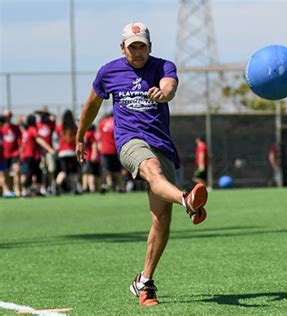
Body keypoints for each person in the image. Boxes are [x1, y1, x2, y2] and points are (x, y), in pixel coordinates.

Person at [75, 22, 208, 307]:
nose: (137, 51)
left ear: (150, 47)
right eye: (132, 46)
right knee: (152, 170)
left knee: (161, 220)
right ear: (122, 47)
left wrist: (164, 93)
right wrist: (80, 137)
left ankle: (144, 281)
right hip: (129, 142)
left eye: (142, 46)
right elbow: (92, 106)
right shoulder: (108, 72)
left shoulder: (163, 67)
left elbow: (170, 87)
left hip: (162, 144)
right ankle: (186, 199)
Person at [20, 114, 55, 197]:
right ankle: (25, 191)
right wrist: (49, 148)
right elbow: (38, 139)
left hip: (26, 155)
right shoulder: (32, 129)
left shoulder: (26, 130)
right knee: (30, 172)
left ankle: (37, 190)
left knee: (37, 172)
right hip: (31, 155)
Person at [98, 112, 124, 192]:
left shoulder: (101, 123)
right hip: (115, 149)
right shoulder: (117, 121)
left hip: (104, 150)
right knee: (117, 170)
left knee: (107, 169)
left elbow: (100, 137)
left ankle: (110, 184)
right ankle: (120, 186)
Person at [56, 110, 80, 194]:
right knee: (74, 172)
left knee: (63, 171)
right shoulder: (74, 127)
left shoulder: (59, 127)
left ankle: (57, 185)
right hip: (72, 152)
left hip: (62, 152)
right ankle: (74, 189)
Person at [2, 109, 22, 197]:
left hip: (14, 153)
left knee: (17, 171)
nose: (7, 118)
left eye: (9, 116)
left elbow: (20, 140)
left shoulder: (15, 128)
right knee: (4, 174)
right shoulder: (1, 128)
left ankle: (17, 190)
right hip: (3, 154)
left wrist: (21, 149)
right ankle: (7, 191)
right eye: (6, 116)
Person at [81, 124, 100, 193]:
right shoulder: (89, 134)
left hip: (88, 156)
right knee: (87, 173)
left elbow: (94, 144)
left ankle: (90, 188)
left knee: (88, 173)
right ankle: (87, 188)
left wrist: (94, 154)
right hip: (87, 156)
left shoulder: (88, 134)